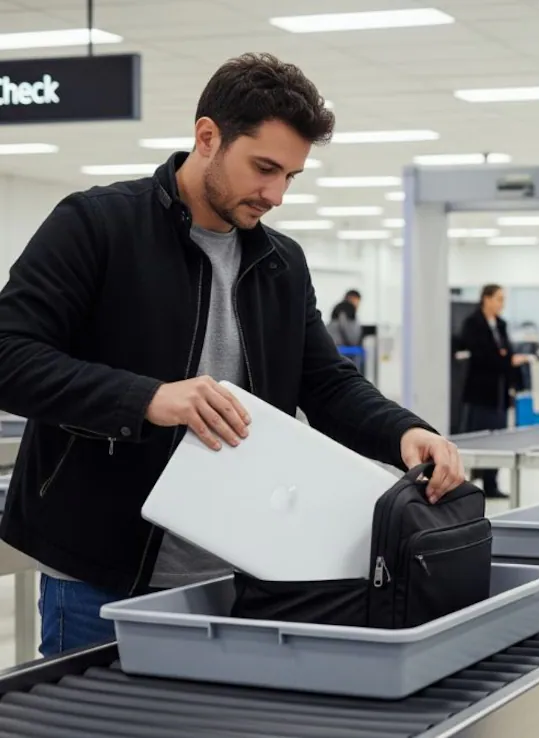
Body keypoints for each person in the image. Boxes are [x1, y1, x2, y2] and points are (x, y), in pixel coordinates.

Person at [0, 52, 464, 657]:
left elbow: (324, 383)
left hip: (244, 574)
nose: (275, 194)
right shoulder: (98, 225)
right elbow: (8, 353)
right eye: (264, 168)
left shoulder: (280, 262)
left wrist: (405, 432)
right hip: (101, 579)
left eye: (290, 176)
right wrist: (148, 398)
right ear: (207, 137)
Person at [459, 285, 530, 498]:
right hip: (480, 392)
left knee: (498, 438)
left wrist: (505, 359)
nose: (502, 303)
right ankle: (467, 485)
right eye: (499, 298)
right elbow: (482, 356)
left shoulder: (501, 324)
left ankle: (491, 484)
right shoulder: (473, 324)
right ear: (486, 299)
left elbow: (504, 352)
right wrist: (505, 358)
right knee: (478, 438)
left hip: (500, 392)